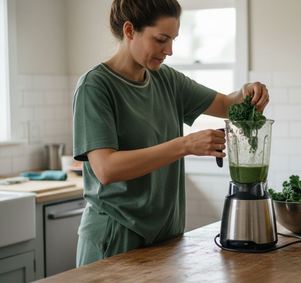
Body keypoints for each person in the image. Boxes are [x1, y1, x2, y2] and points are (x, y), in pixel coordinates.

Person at [73, 0, 269, 266]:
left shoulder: (167, 80)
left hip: (166, 236)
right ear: (130, 30)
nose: (169, 50)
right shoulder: (95, 86)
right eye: (161, 40)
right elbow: (107, 169)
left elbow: (226, 104)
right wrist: (185, 145)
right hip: (117, 236)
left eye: (173, 40)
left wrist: (248, 93)